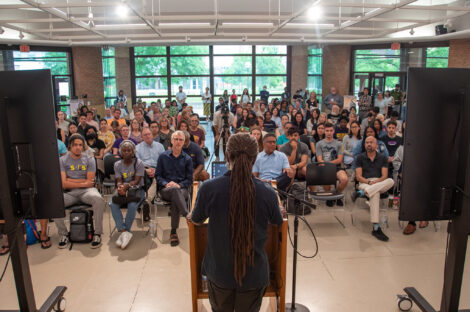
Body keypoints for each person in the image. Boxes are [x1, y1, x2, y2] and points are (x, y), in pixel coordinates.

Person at [190, 133, 283, 312]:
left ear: (227, 155)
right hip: (254, 275)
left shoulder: (209, 188)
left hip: (220, 272)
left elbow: (196, 219)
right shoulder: (268, 193)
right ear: (256, 157)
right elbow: (277, 220)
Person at [55, 134, 105, 249]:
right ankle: (63, 234)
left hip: (87, 191)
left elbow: (90, 183)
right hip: (69, 193)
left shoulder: (90, 159)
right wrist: (80, 181)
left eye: (80, 145)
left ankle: (97, 233)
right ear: (70, 147)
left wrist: (70, 180)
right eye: (75, 145)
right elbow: (63, 183)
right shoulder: (62, 160)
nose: (78, 147)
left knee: (99, 200)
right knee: (56, 202)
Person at [351, 136, 394, 241]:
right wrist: (369, 182)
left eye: (371, 142)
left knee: (391, 181)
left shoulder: (383, 157)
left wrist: (375, 182)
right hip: (365, 182)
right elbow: (358, 177)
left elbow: (384, 176)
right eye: (367, 142)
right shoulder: (360, 158)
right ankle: (376, 227)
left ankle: (361, 193)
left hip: (379, 181)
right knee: (375, 194)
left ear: (376, 145)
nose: (369, 144)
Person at [155, 131, 193, 246]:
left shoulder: (187, 159)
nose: (178, 142)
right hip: (165, 190)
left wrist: (179, 185)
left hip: (181, 189)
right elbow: (158, 176)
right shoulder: (163, 157)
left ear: (184, 142)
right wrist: (166, 184)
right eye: (176, 139)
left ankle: (173, 232)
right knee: (175, 194)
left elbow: (189, 180)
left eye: (181, 140)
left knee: (177, 194)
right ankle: (187, 215)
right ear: (171, 141)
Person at [110, 140, 145, 249]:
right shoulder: (117, 164)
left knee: (132, 205)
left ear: (133, 151)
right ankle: (124, 232)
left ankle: (126, 231)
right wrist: (120, 187)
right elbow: (119, 180)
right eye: (124, 150)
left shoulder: (139, 163)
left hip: (137, 189)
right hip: (124, 189)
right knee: (112, 204)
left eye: (129, 150)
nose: (126, 152)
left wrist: (126, 186)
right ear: (120, 152)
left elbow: (137, 181)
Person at [316, 122, 348, 206]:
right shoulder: (319, 144)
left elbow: (339, 159)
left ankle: (336, 195)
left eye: (331, 130)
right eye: (327, 131)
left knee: (344, 179)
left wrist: (328, 163)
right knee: (325, 179)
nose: (329, 133)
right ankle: (329, 196)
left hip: (336, 167)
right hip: (324, 167)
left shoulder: (339, 144)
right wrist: (325, 164)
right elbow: (319, 159)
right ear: (324, 131)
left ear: (334, 131)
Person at [136, 127, 165, 219]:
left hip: (158, 169)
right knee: (148, 179)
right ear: (142, 137)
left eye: (149, 134)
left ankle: (145, 202)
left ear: (152, 135)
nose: (148, 136)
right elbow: (137, 162)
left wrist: (156, 170)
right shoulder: (137, 148)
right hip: (144, 169)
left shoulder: (160, 146)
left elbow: (164, 161)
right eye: (145, 135)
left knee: (155, 179)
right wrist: (147, 169)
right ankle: (146, 202)